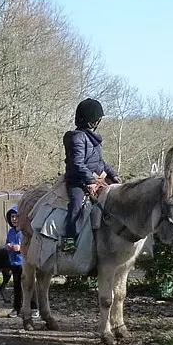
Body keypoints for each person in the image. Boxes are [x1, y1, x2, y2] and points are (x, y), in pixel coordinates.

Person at [61, 98, 120, 253]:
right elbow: (77, 163)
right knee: (76, 206)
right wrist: (90, 180)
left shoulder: (94, 138)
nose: (98, 121)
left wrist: (113, 174)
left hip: (97, 178)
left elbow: (100, 162)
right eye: (96, 118)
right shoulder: (77, 137)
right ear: (90, 119)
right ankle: (68, 241)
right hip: (77, 181)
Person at [4, 206, 39, 319]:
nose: (14, 219)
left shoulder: (26, 231)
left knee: (30, 285)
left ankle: (34, 308)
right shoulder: (11, 232)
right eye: (12, 217)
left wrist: (20, 248)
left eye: (16, 217)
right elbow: (7, 243)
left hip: (26, 263)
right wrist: (8, 246)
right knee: (17, 287)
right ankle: (16, 308)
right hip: (15, 263)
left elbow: (32, 246)